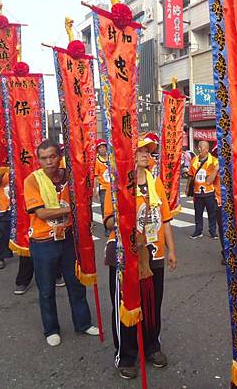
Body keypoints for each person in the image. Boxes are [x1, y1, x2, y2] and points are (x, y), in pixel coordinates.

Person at [104, 133, 177, 379]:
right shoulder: (117, 182)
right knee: (126, 304)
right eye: (141, 151)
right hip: (125, 253)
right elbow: (109, 221)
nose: (146, 154)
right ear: (130, 155)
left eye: (149, 151)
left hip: (153, 252)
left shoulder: (155, 183)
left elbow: (165, 219)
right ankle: (125, 355)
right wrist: (124, 215)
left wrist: (172, 250)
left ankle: (152, 346)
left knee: (152, 302)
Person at [23, 139, 98, 346]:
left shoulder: (70, 177)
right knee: (46, 289)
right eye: (44, 158)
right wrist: (74, 208)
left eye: (52, 156)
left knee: (76, 283)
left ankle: (83, 323)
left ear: (59, 156)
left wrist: (84, 216)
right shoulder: (32, 180)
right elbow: (42, 212)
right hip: (42, 241)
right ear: (38, 160)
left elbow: (86, 199)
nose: (48, 162)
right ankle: (51, 329)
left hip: (68, 239)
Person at [187, 141, 219, 240]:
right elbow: (190, 175)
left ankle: (213, 231)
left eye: (201, 147)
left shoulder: (214, 161)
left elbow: (217, 177)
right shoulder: (194, 160)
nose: (199, 149)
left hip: (209, 192)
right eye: (198, 147)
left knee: (212, 213)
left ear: (206, 149)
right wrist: (187, 187)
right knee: (198, 213)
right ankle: (198, 231)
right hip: (197, 193)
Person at [0, 165, 14, 269]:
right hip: (5, 207)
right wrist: (3, 168)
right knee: (3, 233)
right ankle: (0, 257)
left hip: (20, 206)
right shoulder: (1, 167)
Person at [211, 146, 224, 265]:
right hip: (219, 202)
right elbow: (209, 181)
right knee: (222, 229)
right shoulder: (214, 167)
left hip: (234, 203)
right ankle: (225, 253)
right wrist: (216, 170)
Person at [94, 139, 110, 215]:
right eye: (100, 147)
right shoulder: (97, 161)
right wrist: (95, 190)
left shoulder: (111, 158)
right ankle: (106, 224)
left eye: (104, 147)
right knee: (104, 207)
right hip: (103, 188)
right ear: (97, 150)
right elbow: (95, 177)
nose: (102, 149)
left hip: (113, 188)